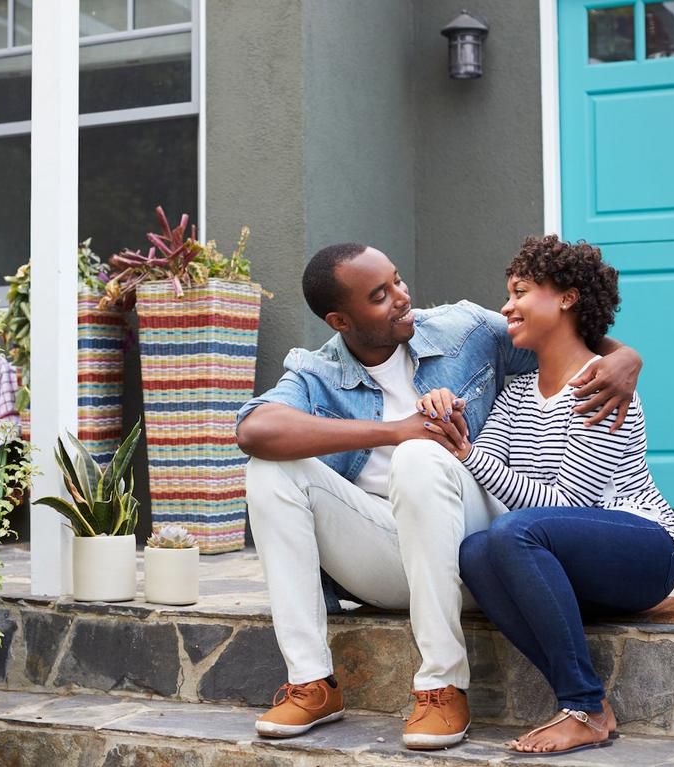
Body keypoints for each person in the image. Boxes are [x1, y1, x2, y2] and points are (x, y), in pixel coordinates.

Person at [235, 242, 644, 750]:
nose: (402, 298)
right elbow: (255, 429)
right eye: (380, 295)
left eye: (398, 281)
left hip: (478, 550)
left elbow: (562, 333)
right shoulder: (317, 373)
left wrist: (627, 357)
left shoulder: (464, 330)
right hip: (388, 557)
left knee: (422, 457)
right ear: (341, 320)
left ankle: (441, 685)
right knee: (270, 470)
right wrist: (395, 431)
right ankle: (312, 681)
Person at [419, 235, 674, 756]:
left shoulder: (603, 385)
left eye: (520, 291)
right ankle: (589, 706)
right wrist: (452, 424)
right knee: (475, 552)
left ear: (567, 297)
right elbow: (487, 462)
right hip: (570, 558)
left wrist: (467, 455)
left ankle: (582, 706)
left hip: (645, 549)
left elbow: (569, 507)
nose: (506, 306)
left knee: (514, 531)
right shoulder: (517, 393)